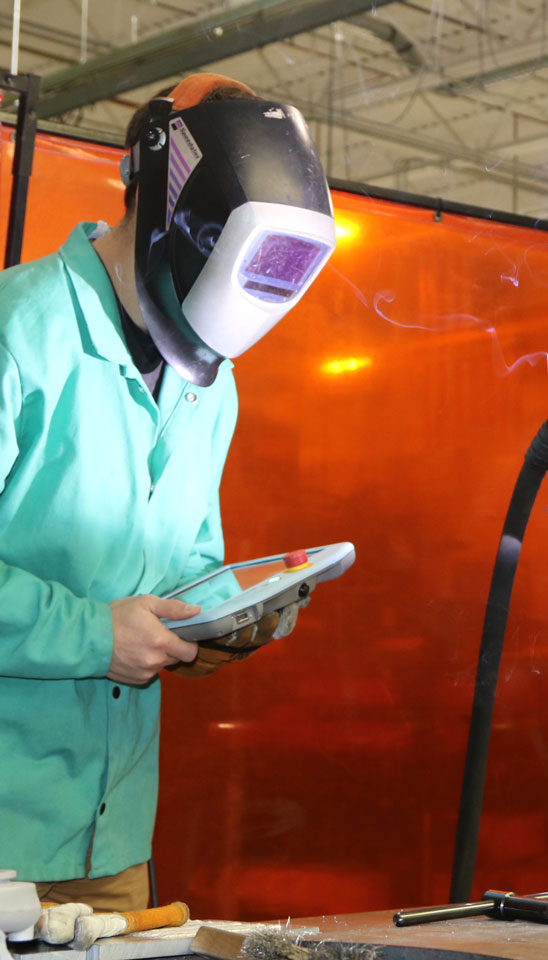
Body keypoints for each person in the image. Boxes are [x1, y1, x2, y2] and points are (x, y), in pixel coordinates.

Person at [0, 74, 337, 911]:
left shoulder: (206, 383)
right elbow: (106, 628)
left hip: (112, 839)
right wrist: (93, 634)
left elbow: (185, 565)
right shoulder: (19, 333)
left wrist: (232, 612)